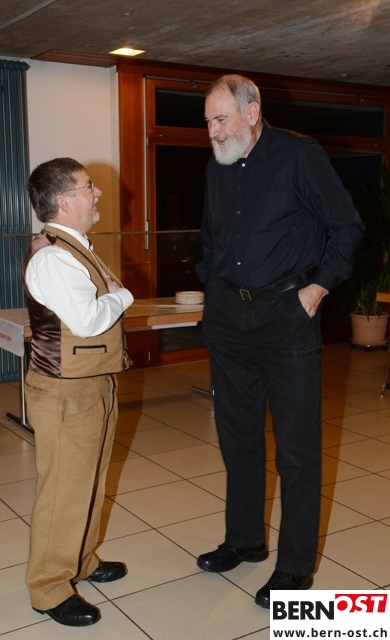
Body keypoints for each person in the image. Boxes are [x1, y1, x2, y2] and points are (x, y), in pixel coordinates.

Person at [195, 75, 364, 609]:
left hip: (287, 314)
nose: (213, 132)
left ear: (251, 113)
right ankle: (245, 539)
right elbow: (210, 238)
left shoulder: (299, 156)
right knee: (237, 437)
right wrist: (213, 290)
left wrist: (318, 288)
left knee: (296, 448)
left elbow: (347, 227)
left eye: (220, 119)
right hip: (229, 316)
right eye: (208, 122)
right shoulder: (218, 166)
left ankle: (294, 566)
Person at [23, 157, 134, 627]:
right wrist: (121, 295)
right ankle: (49, 587)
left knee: (90, 481)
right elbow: (88, 320)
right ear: (64, 201)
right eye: (89, 187)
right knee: (64, 490)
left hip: (89, 384)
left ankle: (81, 560)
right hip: (65, 393)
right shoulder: (53, 256)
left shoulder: (73, 246)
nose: (97, 193)